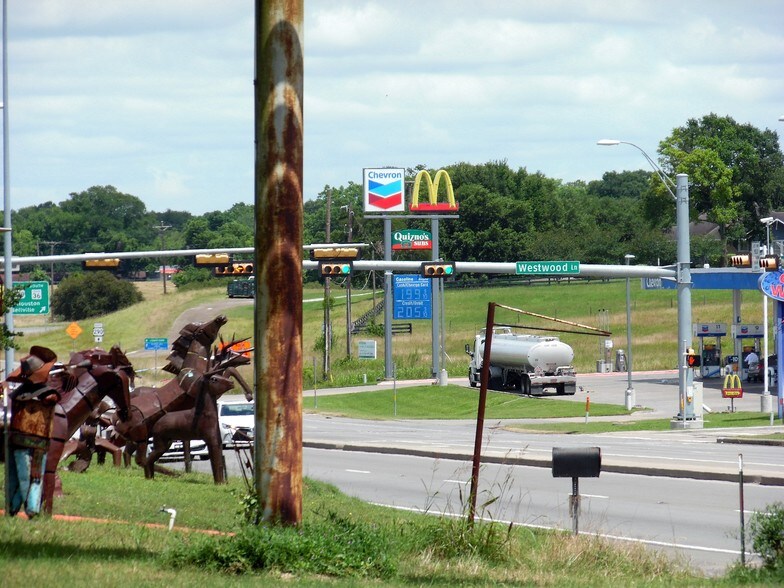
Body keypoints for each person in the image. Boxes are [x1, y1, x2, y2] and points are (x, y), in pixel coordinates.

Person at [5, 346, 60, 518]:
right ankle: (24, 508)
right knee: (24, 477)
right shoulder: (26, 393)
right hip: (25, 441)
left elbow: (52, 398)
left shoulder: (46, 394)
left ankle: (25, 508)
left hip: (30, 442)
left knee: (26, 476)